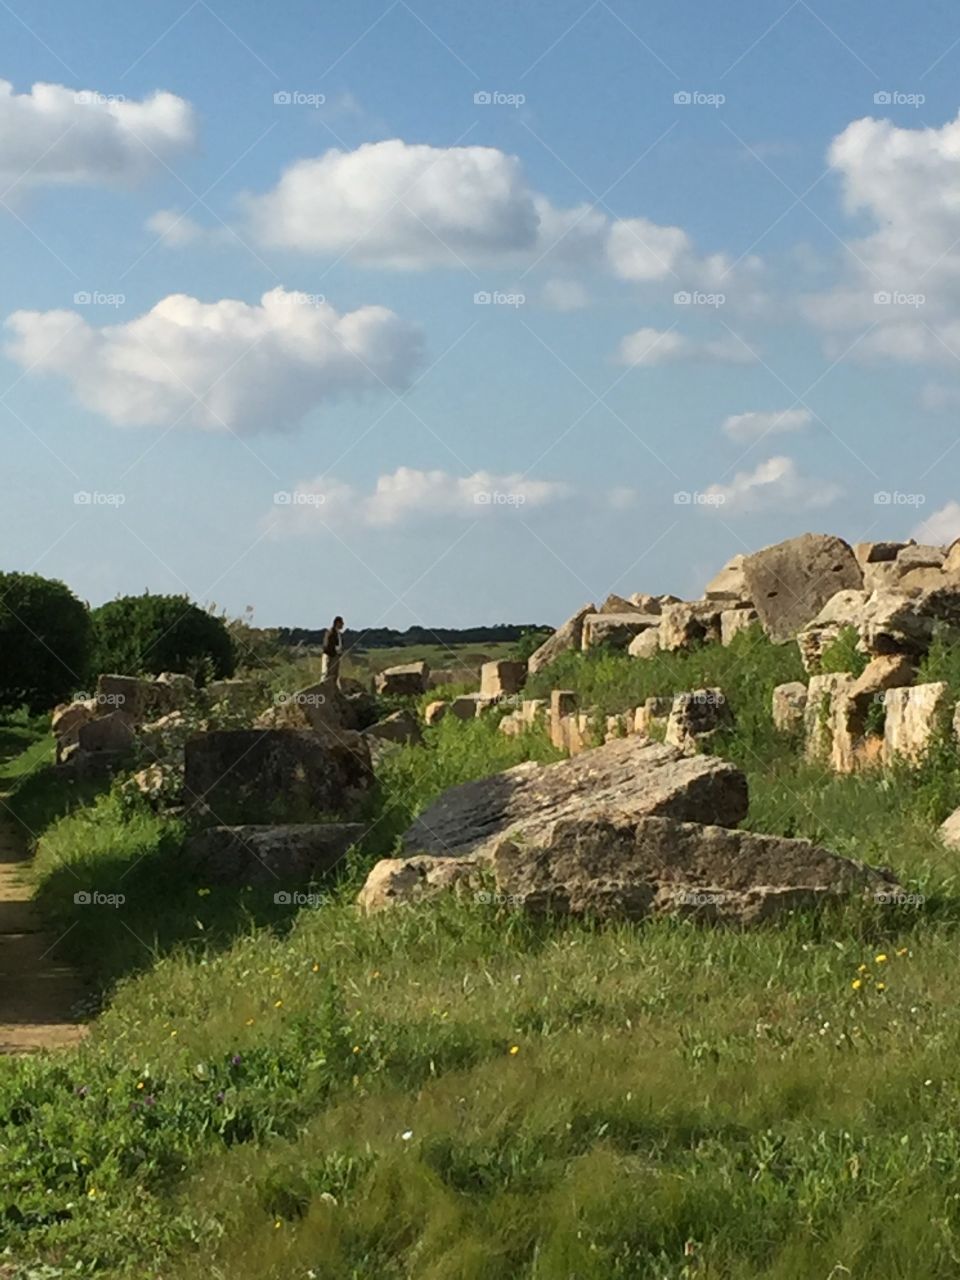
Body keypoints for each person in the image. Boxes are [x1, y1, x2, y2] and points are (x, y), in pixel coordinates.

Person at [321, 615, 344, 686]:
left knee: (334, 675)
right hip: (330, 656)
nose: (343, 625)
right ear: (337, 623)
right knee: (327, 673)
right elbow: (326, 646)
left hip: (335, 656)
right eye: (341, 623)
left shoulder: (338, 633)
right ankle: (323, 688)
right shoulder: (330, 632)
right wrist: (334, 652)